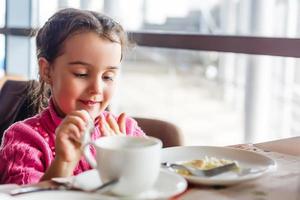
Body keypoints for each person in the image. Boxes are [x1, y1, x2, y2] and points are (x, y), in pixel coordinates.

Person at [0, 8, 145, 185]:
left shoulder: (127, 132)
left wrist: (129, 162)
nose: (97, 88)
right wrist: (64, 163)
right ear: (46, 71)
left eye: (108, 77)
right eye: (81, 74)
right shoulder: (24, 140)